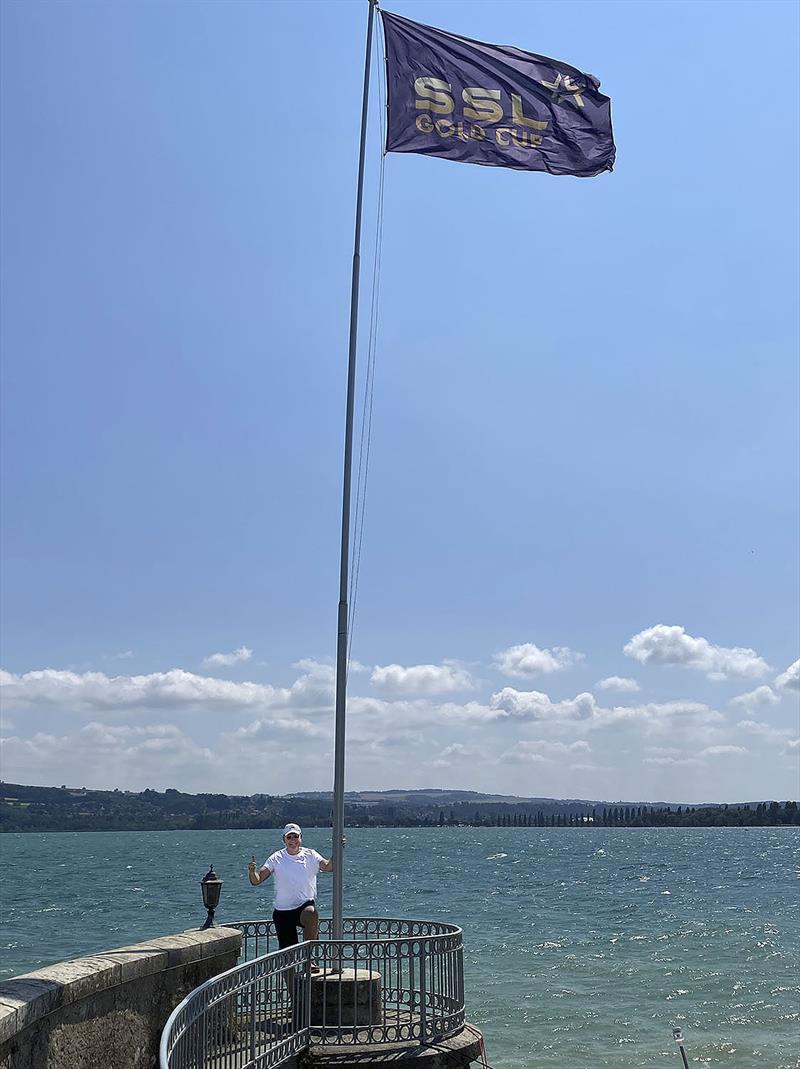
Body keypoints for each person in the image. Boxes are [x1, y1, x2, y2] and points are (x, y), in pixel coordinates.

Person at [248, 823, 333, 961]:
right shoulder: (276, 857)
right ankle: (292, 982)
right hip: (283, 912)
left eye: (295, 836)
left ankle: (309, 958)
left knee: (311, 913)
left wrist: (338, 849)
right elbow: (257, 880)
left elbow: (329, 866)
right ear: (284, 840)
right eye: (289, 837)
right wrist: (252, 872)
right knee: (288, 959)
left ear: (301, 838)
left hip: (304, 905)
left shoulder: (310, 854)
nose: (292, 840)